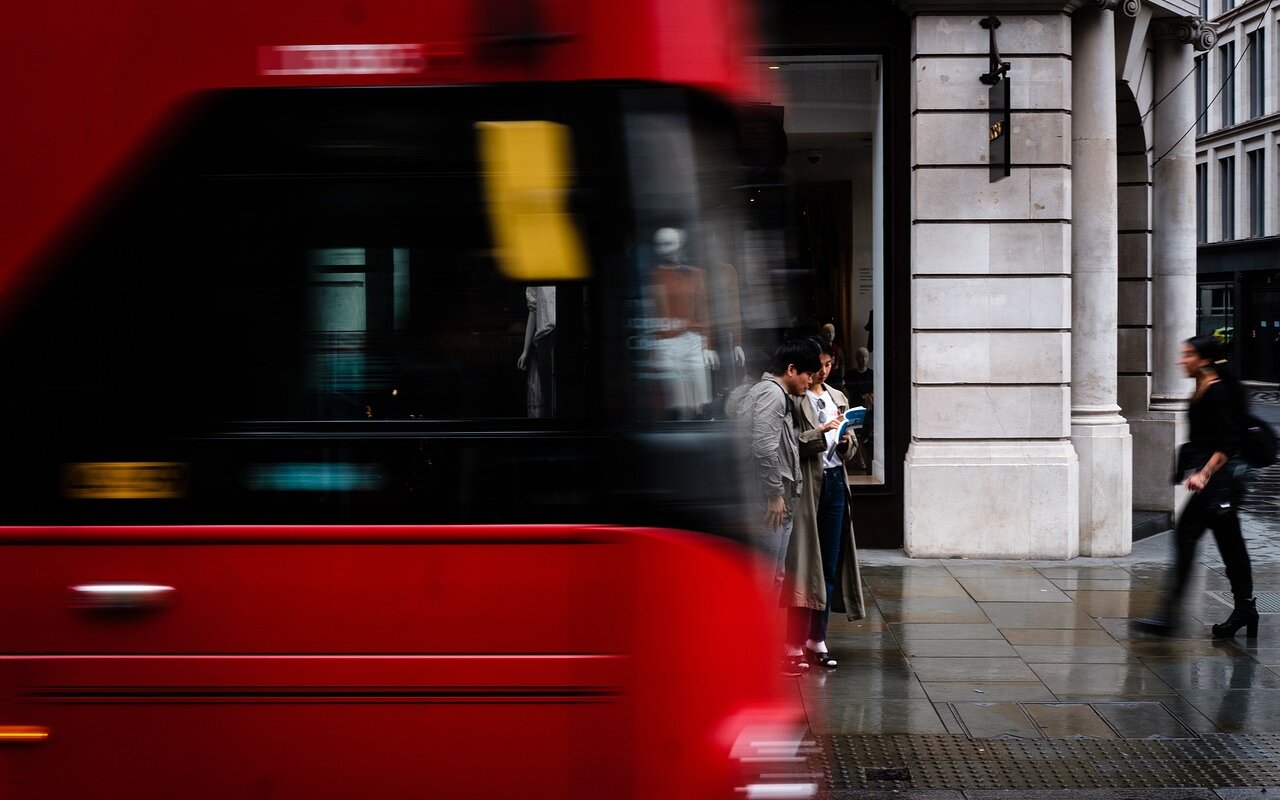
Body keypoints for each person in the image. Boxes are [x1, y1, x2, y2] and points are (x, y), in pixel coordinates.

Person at [1135, 336, 1257, 639]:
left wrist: (1203, 474)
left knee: (1189, 539)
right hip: (1218, 485)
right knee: (1230, 546)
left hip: (1220, 484)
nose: (1182, 360)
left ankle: (1169, 617)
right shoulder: (1203, 388)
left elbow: (1227, 443)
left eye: (1188, 355)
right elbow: (1205, 437)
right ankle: (1245, 608)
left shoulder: (1219, 393)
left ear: (1203, 360)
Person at [784, 338, 866, 670]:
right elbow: (787, 444)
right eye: (819, 364)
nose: (824, 370)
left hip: (834, 483)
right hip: (807, 485)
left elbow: (851, 450)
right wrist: (821, 432)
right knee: (803, 566)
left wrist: (846, 440)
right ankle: (792, 642)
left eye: (829, 364)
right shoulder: (794, 397)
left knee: (829, 564)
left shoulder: (838, 397)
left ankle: (817, 638)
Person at [743, 337, 822, 675]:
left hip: (780, 502)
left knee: (772, 578)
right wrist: (775, 494)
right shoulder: (772, 395)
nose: (811, 381)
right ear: (791, 370)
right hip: (771, 504)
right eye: (808, 374)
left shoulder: (778, 395)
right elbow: (763, 448)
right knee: (764, 581)